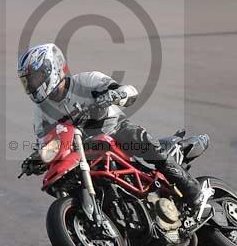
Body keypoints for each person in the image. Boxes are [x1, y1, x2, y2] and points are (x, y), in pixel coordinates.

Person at [17, 43, 209, 211]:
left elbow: (128, 91)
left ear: (51, 69)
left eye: (35, 78)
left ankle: (194, 193)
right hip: (82, 151)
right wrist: (37, 158)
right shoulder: (41, 113)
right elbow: (45, 142)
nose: (32, 85)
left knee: (144, 144)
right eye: (28, 81)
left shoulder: (86, 81)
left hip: (114, 130)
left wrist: (113, 95)